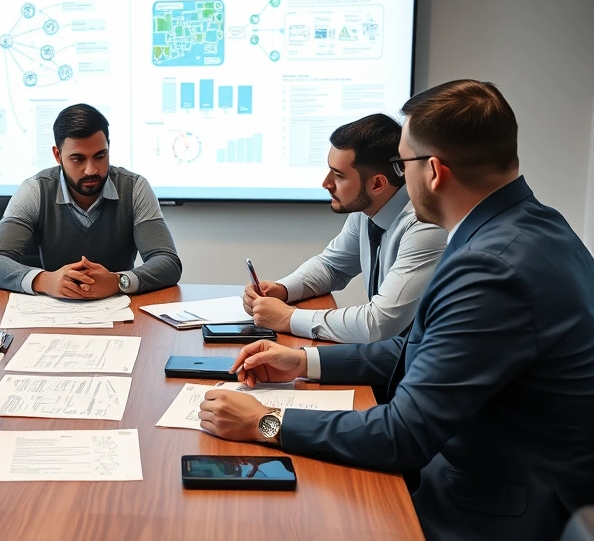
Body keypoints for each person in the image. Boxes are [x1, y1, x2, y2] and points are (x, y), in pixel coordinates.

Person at [198, 80, 594, 540]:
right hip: (501, 475)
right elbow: (418, 348)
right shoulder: (533, 226)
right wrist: (303, 360)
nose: (400, 178)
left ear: (434, 171)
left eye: (403, 164)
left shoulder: (489, 267)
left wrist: (265, 422)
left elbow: (403, 435)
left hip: (492, 509)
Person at [244, 114, 446, 343]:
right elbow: (332, 267)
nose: (326, 183)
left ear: (377, 184)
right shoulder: (367, 209)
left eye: (338, 175)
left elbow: (378, 324)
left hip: (414, 356)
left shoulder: (425, 226)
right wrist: (282, 289)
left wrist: (288, 318)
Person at [0, 103, 182, 299]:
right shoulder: (36, 190)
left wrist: (118, 282)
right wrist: (45, 281)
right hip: (53, 310)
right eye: (78, 159)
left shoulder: (135, 188)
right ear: (58, 155)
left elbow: (167, 261)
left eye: (100, 156)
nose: (91, 170)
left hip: (120, 310)